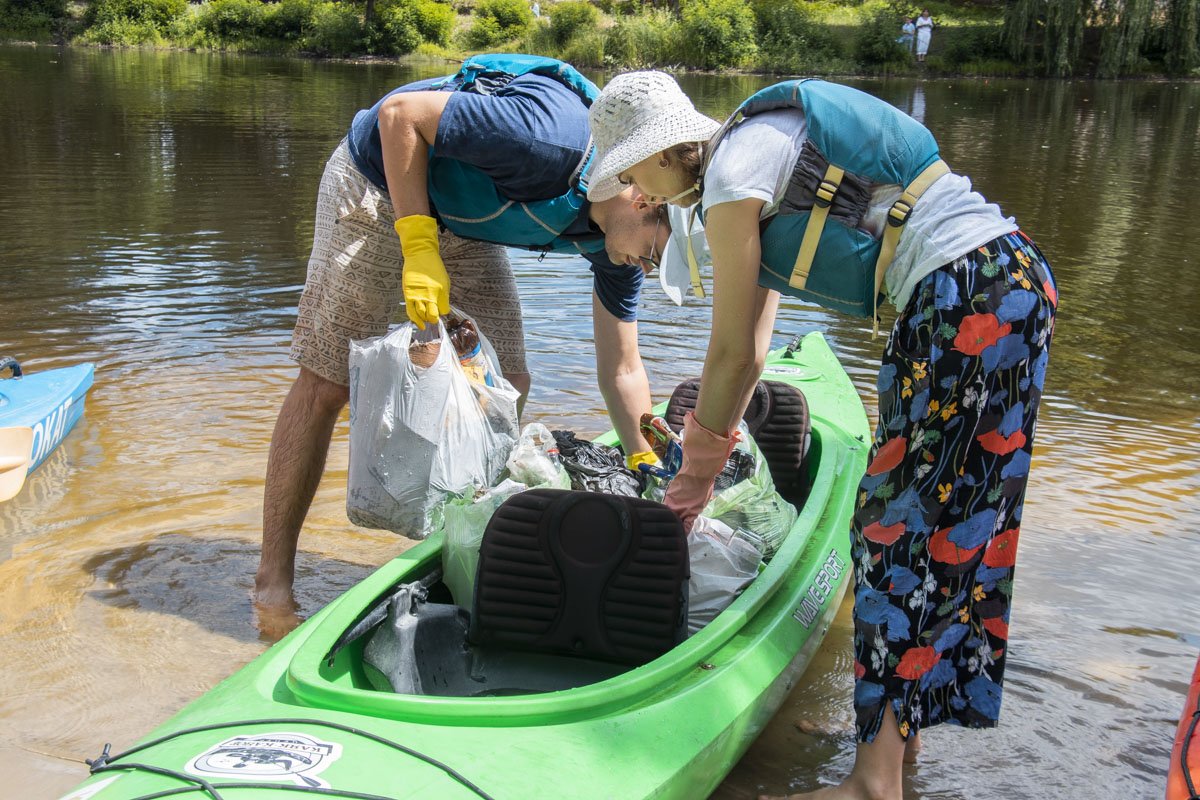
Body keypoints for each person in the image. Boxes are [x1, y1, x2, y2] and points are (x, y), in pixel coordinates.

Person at [586, 71, 1058, 800]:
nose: (636, 191)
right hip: (1008, 281)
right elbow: (753, 349)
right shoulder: (757, 151)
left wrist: (692, 481)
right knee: (941, 528)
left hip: (963, 294)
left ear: (671, 151)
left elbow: (732, 354)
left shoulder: (731, 175)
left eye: (633, 169)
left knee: (890, 535)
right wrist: (712, 445)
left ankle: (872, 783)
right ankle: (897, 754)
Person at [254, 55, 668, 619]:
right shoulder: (547, 141)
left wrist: (644, 459)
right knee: (328, 383)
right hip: (380, 184)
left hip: (465, 217)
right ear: (643, 200)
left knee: (506, 381)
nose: (646, 268)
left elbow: (622, 368)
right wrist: (418, 244)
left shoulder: (620, 246)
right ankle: (272, 586)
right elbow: (399, 115)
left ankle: (463, 550)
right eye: (653, 254)